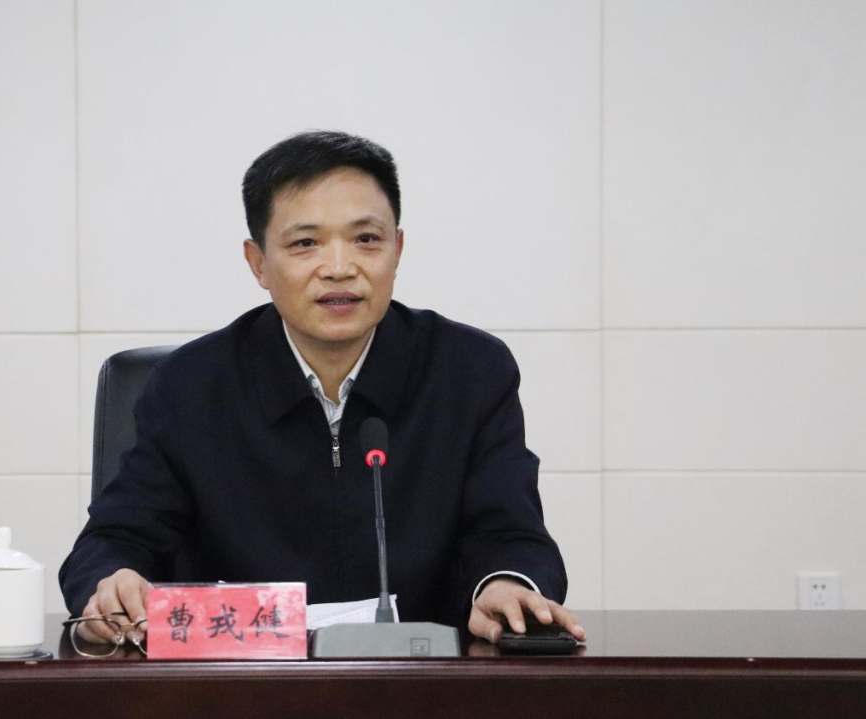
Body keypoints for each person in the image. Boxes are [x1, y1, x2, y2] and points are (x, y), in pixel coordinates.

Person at [59, 130, 585, 646]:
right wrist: (114, 581)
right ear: (258, 263)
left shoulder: (468, 372)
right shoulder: (190, 387)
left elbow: (509, 531)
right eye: (305, 243)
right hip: (241, 682)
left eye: (366, 239)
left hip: (426, 677)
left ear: (397, 249)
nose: (339, 268)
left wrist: (504, 583)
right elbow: (116, 538)